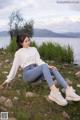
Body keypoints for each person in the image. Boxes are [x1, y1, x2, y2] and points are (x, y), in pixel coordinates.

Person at [0, 33, 80, 106]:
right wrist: (7, 80)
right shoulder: (18, 53)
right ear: (21, 43)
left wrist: (49, 66)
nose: (28, 42)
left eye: (29, 40)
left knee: (53, 69)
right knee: (44, 66)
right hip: (28, 74)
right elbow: (14, 68)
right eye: (26, 41)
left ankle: (68, 91)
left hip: (36, 70)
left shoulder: (34, 49)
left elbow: (39, 61)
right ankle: (54, 92)